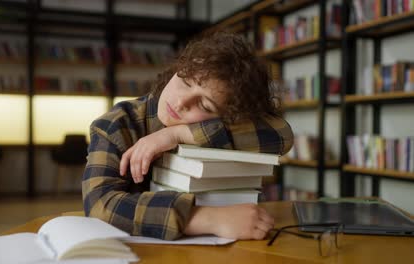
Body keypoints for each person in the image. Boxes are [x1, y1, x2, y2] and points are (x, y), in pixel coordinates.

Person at [82, 32, 294, 241]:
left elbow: (282, 135)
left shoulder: (223, 126)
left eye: (204, 105)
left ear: (229, 117)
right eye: (184, 81)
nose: (182, 102)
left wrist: (177, 134)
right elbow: (101, 204)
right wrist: (209, 219)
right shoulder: (116, 124)